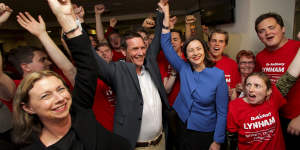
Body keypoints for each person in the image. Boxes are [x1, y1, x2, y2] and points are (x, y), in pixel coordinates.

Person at [12, 0, 130, 149]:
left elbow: (87, 66)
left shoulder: (81, 114)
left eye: (61, 89)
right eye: (45, 95)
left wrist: (66, 19)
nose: (60, 98)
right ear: (28, 108)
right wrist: (43, 34)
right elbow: (72, 69)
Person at [92, 1, 171, 149]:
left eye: (142, 47)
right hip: (137, 146)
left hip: (161, 141)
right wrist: (74, 25)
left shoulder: (150, 63)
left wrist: (161, 12)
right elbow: (92, 58)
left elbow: (158, 37)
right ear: (123, 52)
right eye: (134, 49)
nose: (140, 53)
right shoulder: (117, 71)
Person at [160, 1, 228, 150]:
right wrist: (165, 13)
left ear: (204, 50)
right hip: (182, 125)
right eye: (191, 50)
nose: (195, 53)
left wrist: (217, 141)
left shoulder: (217, 75)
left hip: (205, 131)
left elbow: (222, 112)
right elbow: (166, 44)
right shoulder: (183, 68)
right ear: (186, 55)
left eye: (198, 48)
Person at [227, 48, 300, 150]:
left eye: (257, 86)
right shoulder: (235, 106)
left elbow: (290, 76)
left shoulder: (272, 99)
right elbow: (232, 139)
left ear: (268, 91)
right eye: (248, 85)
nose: (251, 89)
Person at [254, 13, 300, 149]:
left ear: (283, 29)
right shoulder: (260, 57)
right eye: (262, 31)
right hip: (273, 118)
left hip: (295, 118)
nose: (267, 33)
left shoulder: (298, 48)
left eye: (271, 27)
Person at [208, 29, 240, 100]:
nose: (217, 44)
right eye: (214, 40)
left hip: (225, 107)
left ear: (225, 45)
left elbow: (234, 90)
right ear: (209, 43)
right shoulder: (201, 62)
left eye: (221, 41)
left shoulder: (232, 64)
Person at [93, 43, 116, 131]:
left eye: (107, 51)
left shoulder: (122, 71)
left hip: (123, 125)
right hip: (104, 127)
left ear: (112, 53)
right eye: (100, 52)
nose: (104, 54)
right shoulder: (91, 75)